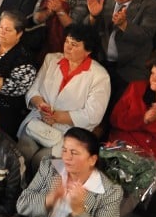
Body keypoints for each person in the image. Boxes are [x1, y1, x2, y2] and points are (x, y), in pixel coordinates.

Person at [18, 24, 110, 168]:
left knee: (41, 163)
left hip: (69, 132)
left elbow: (93, 115)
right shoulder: (51, 59)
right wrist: (41, 105)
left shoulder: (99, 75)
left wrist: (56, 117)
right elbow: (33, 90)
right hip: (38, 120)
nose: (67, 47)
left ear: (88, 51)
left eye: (74, 45)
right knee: (23, 154)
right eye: (66, 41)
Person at [86, 0, 156, 106]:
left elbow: (145, 36)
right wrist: (93, 16)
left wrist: (124, 25)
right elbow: (84, 30)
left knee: (117, 108)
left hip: (129, 66)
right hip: (101, 60)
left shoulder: (151, 6)